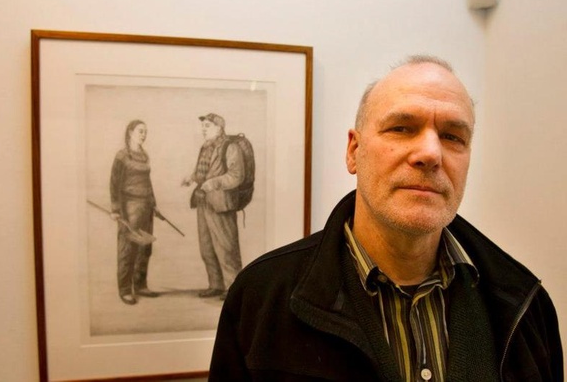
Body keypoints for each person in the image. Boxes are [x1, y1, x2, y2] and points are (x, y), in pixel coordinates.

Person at [208, 56, 563, 381]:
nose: (430, 153)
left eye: (453, 136)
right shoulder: (261, 298)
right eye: (401, 128)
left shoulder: (524, 305)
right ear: (354, 151)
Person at [182, 113, 245, 301]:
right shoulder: (206, 147)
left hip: (221, 204)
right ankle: (216, 285)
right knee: (207, 247)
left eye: (208, 126)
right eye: (203, 126)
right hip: (203, 202)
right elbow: (203, 171)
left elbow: (236, 176)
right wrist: (192, 178)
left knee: (226, 247)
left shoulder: (230, 147)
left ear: (219, 128)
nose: (203, 129)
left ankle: (233, 287)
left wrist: (214, 183)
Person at [110, 119, 163, 305]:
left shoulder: (144, 155)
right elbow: (114, 183)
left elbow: (148, 183)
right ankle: (125, 289)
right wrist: (116, 209)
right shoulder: (122, 156)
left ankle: (140, 285)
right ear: (130, 132)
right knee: (127, 249)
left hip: (146, 207)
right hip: (129, 208)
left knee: (144, 248)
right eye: (140, 131)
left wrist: (154, 204)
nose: (144, 135)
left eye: (145, 131)